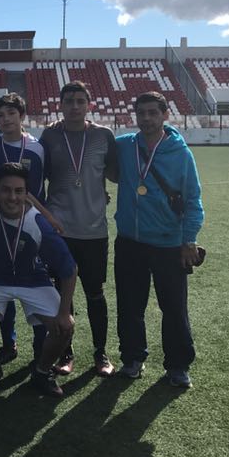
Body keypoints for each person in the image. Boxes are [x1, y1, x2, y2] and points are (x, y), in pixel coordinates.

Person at [113, 91, 203, 389]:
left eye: (153, 112)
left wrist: (189, 239)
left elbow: (193, 199)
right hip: (130, 240)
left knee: (174, 307)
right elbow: (97, 153)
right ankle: (132, 359)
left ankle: (178, 365)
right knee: (129, 305)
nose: (147, 118)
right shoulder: (125, 145)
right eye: (141, 113)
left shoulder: (180, 153)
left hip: (168, 243)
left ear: (165, 115)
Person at [0, 163, 78, 396]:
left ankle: (42, 372)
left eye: (19, 191)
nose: (12, 197)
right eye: (6, 190)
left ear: (27, 194)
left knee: (65, 328)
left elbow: (69, 269)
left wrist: (64, 312)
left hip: (32, 278)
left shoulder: (38, 224)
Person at [39, 81, 119, 377]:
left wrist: (100, 191)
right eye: (69, 101)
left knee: (95, 293)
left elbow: (114, 173)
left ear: (89, 105)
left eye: (80, 101)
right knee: (63, 295)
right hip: (60, 229)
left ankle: (100, 353)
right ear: (60, 105)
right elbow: (41, 176)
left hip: (93, 229)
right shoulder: (50, 135)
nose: (74, 106)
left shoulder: (103, 135)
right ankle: (66, 353)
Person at [0, 93, 46, 363]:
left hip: (30, 224)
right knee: (3, 284)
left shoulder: (37, 148)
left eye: (11, 113)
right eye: (1, 115)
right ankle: (9, 343)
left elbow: (40, 188)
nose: (6, 119)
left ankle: (41, 348)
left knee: (36, 284)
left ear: (22, 116)